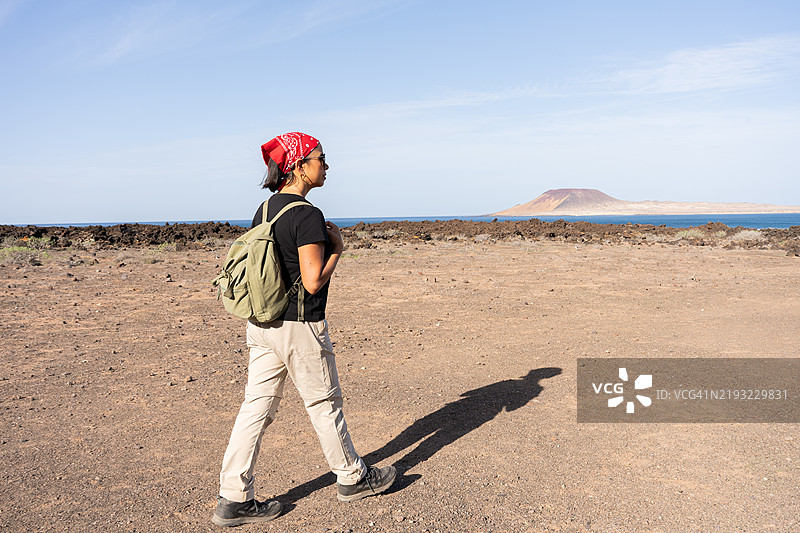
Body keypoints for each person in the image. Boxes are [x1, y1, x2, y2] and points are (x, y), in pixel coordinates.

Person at [212, 132, 396, 527]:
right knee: (324, 403)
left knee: (256, 408)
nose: (326, 166)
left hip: (262, 323)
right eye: (321, 158)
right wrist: (338, 250)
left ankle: (233, 498)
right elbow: (312, 282)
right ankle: (353, 478)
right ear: (299, 166)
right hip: (299, 326)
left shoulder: (265, 210)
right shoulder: (307, 215)